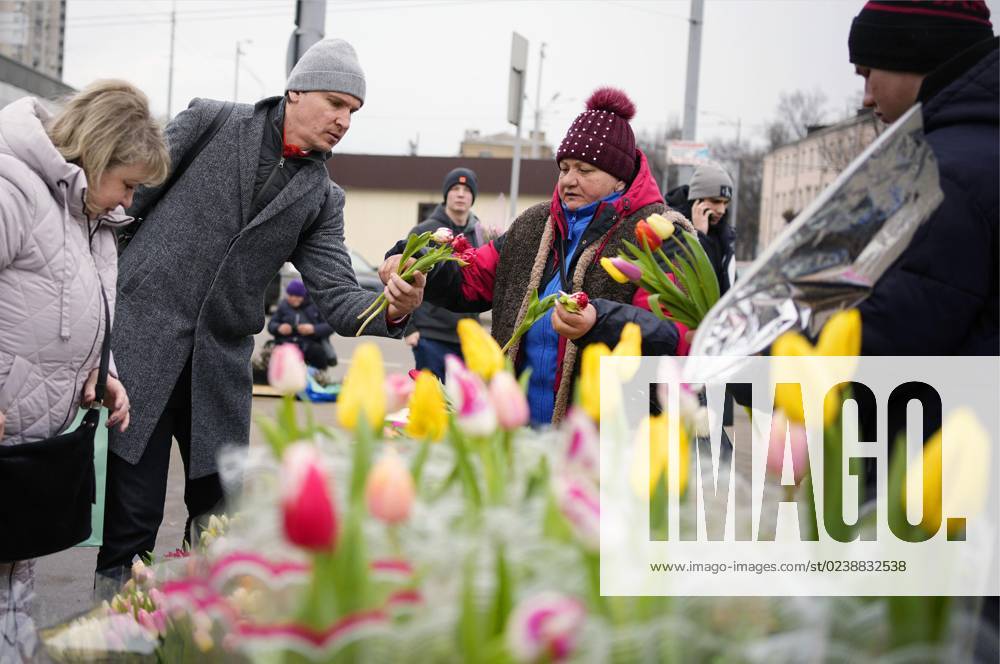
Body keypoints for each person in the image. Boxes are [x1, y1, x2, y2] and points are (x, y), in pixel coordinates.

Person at [97, 38, 425, 589]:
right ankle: (108, 639)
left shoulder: (323, 197)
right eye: (335, 102)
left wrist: (392, 306)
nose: (344, 120)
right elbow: (124, 207)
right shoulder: (212, 122)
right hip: (141, 358)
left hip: (218, 376)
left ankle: (194, 640)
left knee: (217, 533)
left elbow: (341, 299)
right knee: (130, 528)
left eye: (353, 112)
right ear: (295, 91)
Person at [382, 88, 688, 425]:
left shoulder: (661, 233)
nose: (569, 180)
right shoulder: (534, 225)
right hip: (517, 435)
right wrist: (415, 259)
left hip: (604, 441)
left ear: (620, 180)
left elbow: (672, 335)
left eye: (585, 170)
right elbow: (471, 276)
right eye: (565, 167)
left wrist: (597, 320)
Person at [0, 80, 169, 663]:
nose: (128, 201)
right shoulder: (12, 188)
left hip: (27, 444)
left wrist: (103, 371)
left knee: (11, 585)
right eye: (126, 183)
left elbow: (78, 308)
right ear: (94, 155)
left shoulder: (88, 218)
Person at [847, 1, 997, 356]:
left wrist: (764, 363)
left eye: (868, 72)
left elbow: (889, 335)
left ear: (914, 56)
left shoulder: (939, 176)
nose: (867, 98)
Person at [403, 167, 484, 380]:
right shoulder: (425, 232)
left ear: (472, 197)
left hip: (467, 337)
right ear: (446, 193)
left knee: (460, 407)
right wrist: (409, 328)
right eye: (455, 188)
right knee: (432, 404)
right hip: (431, 334)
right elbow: (403, 278)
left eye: (466, 190)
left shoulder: (480, 233)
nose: (460, 194)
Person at [666, 162, 737, 295]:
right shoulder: (672, 227)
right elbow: (681, 282)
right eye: (715, 201)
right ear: (696, 200)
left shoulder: (724, 235)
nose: (721, 210)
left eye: (725, 203)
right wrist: (699, 236)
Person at [268, 279, 335, 369]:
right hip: (286, 342)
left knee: (318, 352)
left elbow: (330, 326)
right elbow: (271, 324)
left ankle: (318, 376)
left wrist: (313, 329)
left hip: (309, 343)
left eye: (297, 296)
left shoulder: (315, 306)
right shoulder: (283, 306)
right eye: (290, 295)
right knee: (272, 353)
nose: (293, 298)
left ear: (303, 296)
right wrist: (279, 328)